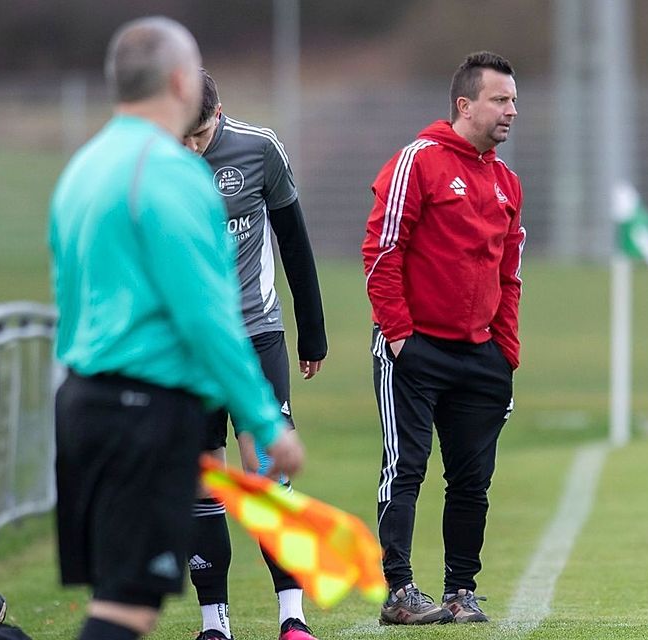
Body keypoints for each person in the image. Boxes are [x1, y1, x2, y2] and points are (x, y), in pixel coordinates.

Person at [48, 16, 304, 640]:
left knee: (119, 600)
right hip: (142, 406)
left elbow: (70, 298)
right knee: (128, 605)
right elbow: (207, 316)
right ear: (182, 80)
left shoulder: (82, 168)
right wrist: (266, 421)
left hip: (81, 399)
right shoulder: (173, 173)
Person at [361, 51, 525, 625]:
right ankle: (401, 590)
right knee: (405, 468)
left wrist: (505, 352)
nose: (510, 110)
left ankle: (461, 591)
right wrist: (400, 335)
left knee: (472, 482)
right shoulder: (419, 161)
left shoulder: (506, 181)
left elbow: (510, 274)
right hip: (416, 349)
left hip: (481, 356)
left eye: (512, 100)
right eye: (499, 100)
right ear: (465, 104)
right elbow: (381, 252)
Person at [181, 70, 327, 640]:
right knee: (203, 481)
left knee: (265, 474)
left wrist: (311, 331)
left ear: (218, 114)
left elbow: (294, 238)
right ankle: (214, 624)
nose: (191, 147)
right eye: (182, 136)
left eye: (199, 135)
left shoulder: (260, 149)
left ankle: (292, 617)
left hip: (256, 334)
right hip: (187, 347)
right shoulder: (159, 161)